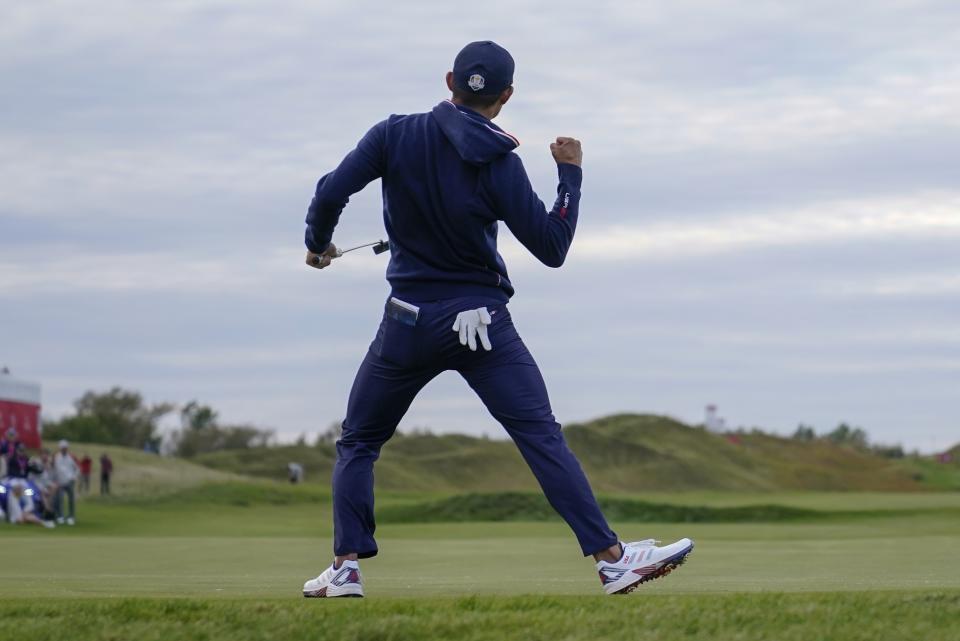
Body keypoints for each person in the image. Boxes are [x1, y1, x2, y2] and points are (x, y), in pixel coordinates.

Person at [300, 41, 692, 599]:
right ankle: (611, 561)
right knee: (539, 437)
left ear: (448, 79)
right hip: (481, 325)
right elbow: (552, 247)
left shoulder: (392, 134)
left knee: (359, 442)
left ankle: (345, 568)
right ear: (505, 98)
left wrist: (318, 245)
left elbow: (329, 192)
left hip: (405, 325)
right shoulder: (500, 162)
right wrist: (570, 176)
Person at [53, 440, 79, 525]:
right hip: (60, 481)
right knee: (60, 499)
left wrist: (74, 476)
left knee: (71, 499)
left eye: (65, 448)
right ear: (60, 448)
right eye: (63, 448)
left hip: (70, 481)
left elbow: (77, 468)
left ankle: (71, 516)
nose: (64, 449)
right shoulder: (57, 457)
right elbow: (59, 469)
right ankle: (61, 516)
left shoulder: (71, 457)